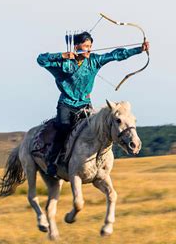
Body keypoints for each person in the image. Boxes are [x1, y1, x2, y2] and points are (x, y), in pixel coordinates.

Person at [37, 31, 149, 177]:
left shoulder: (93, 61)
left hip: (85, 104)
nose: (89, 49)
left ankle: (95, 163)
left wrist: (139, 50)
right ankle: (52, 162)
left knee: (96, 130)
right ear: (77, 47)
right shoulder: (62, 64)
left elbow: (115, 55)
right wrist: (61, 56)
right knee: (63, 129)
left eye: (90, 46)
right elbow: (41, 59)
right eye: (86, 46)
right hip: (66, 104)